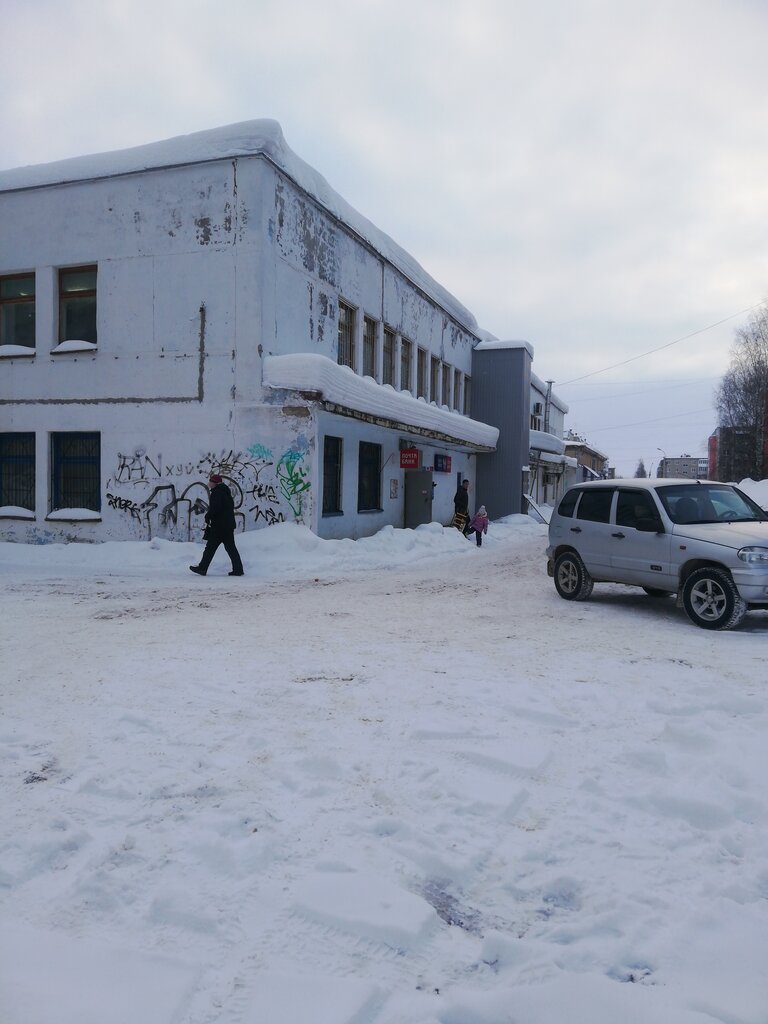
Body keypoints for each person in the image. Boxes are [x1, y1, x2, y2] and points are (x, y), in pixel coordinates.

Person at [190, 473, 244, 576]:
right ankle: (238, 569)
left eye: (210, 481)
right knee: (231, 548)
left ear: (215, 483)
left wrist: (208, 516)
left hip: (219, 527)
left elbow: (216, 508)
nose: (209, 483)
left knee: (210, 548)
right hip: (228, 526)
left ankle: (202, 568)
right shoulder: (226, 493)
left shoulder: (217, 493)